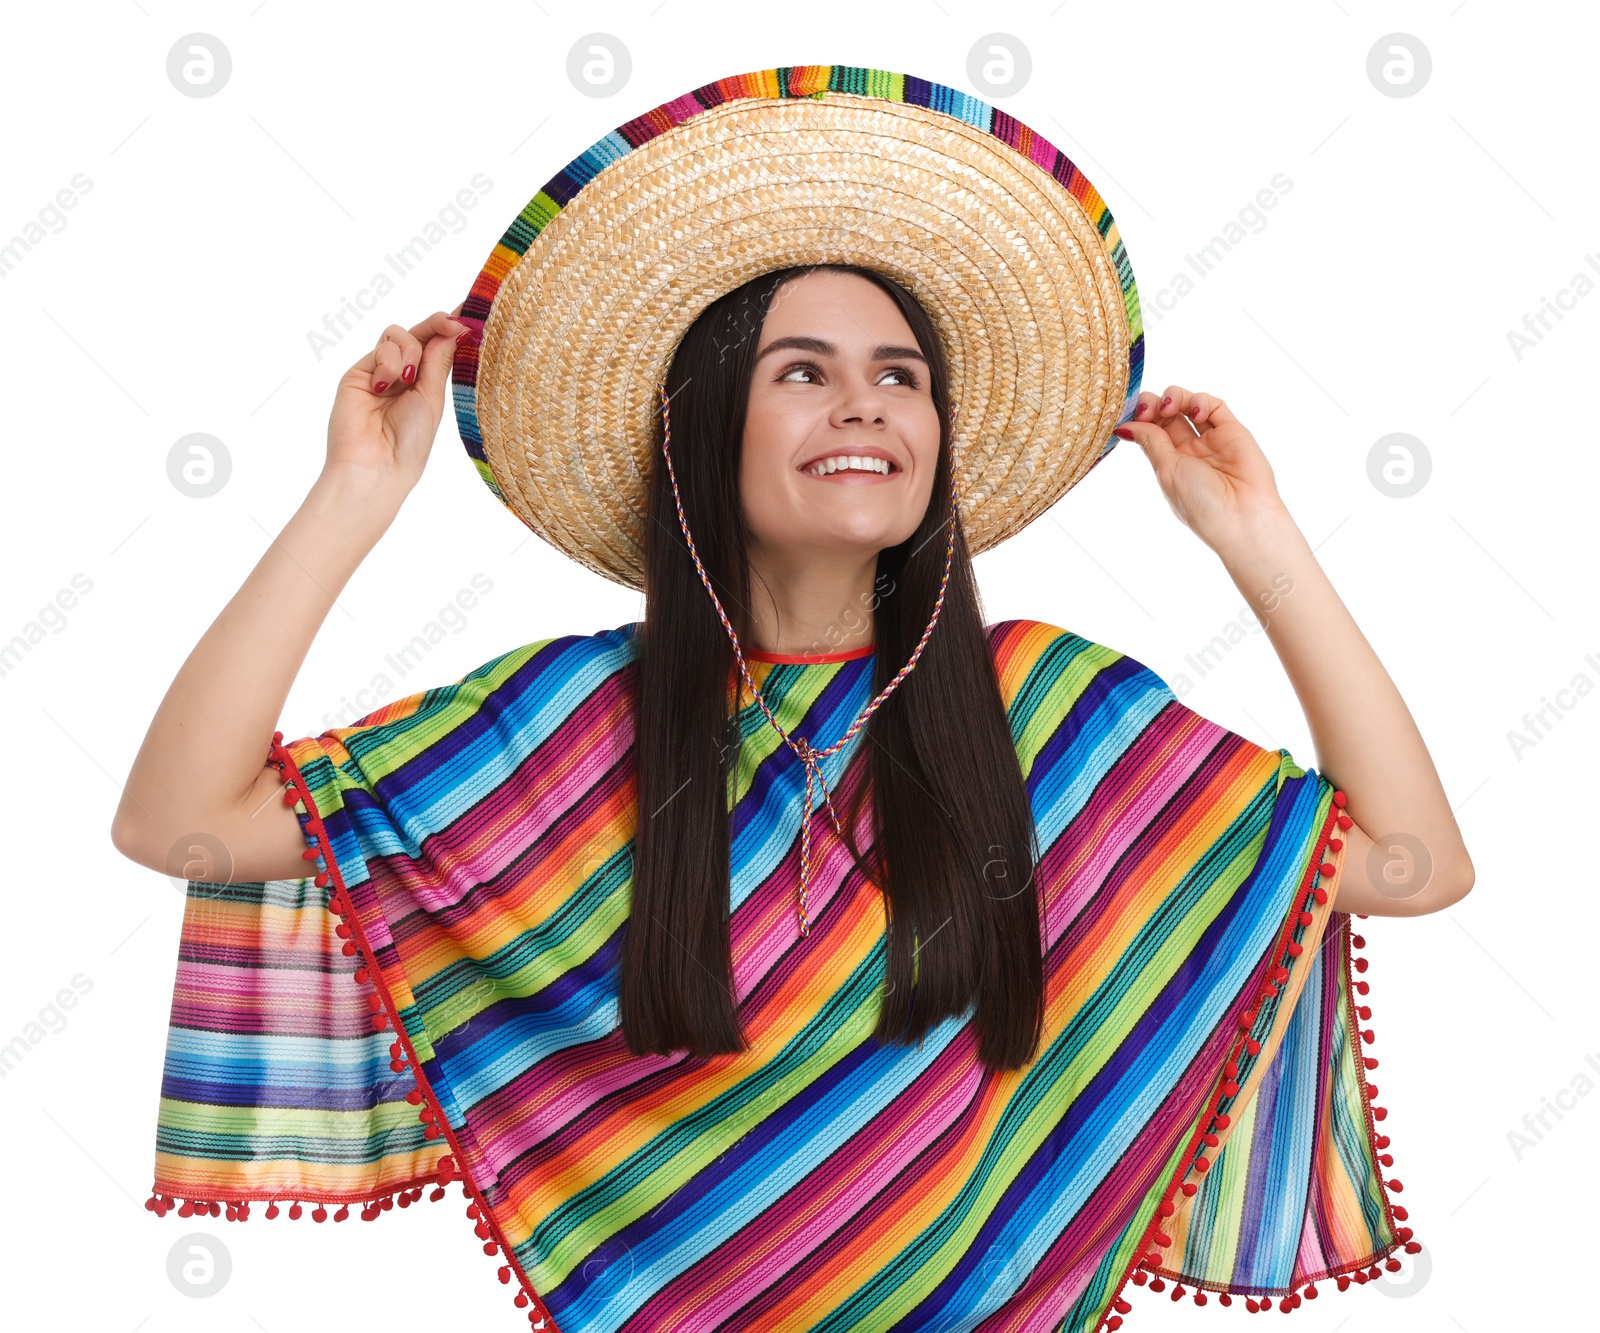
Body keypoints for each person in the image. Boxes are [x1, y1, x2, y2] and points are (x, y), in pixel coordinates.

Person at [111, 66, 1467, 1333]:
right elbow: (183, 818)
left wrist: (1260, 538)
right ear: (708, 422)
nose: (864, 406)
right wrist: (352, 500)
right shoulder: (577, 721)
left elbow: (1413, 862)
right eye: (802, 371)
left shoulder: (1050, 711)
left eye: (901, 375)